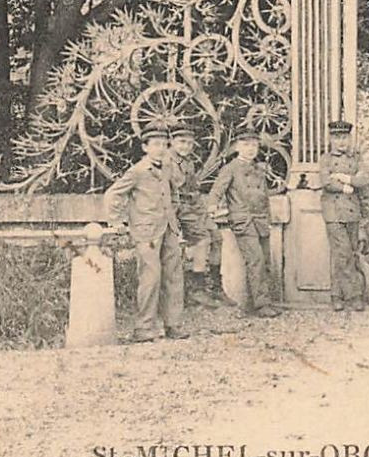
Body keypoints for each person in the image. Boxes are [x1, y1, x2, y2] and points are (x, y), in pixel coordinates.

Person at [103, 126, 188, 342]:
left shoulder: (168, 168)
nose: (161, 149)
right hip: (146, 231)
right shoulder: (138, 171)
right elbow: (113, 194)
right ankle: (144, 328)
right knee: (151, 277)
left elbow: (174, 193)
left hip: (169, 228)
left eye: (164, 144)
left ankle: (173, 325)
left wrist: (173, 216)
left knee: (174, 276)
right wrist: (117, 220)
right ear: (145, 147)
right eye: (155, 144)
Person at [209, 129, 282, 319]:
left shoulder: (259, 169)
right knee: (255, 260)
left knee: (264, 260)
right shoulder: (230, 168)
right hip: (243, 220)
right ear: (237, 146)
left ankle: (254, 302)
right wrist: (211, 207)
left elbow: (265, 197)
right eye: (246, 145)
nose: (250, 149)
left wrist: (269, 219)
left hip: (261, 220)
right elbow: (217, 190)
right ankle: (262, 305)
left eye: (254, 145)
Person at [166, 125, 218, 308]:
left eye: (189, 143)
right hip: (178, 208)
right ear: (171, 142)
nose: (185, 146)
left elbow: (193, 190)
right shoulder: (166, 162)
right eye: (181, 142)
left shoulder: (188, 162)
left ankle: (217, 288)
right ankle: (197, 289)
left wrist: (204, 212)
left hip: (193, 206)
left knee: (217, 236)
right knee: (202, 240)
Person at [320, 120, 367, 312]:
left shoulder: (356, 157)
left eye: (345, 137)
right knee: (343, 252)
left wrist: (344, 177)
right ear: (331, 139)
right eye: (337, 138)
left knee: (347, 253)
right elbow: (325, 182)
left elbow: (364, 179)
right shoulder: (326, 159)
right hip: (334, 212)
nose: (341, 142)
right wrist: (346, 187)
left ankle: (336, 295)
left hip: (352, 212)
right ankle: (353, 295)